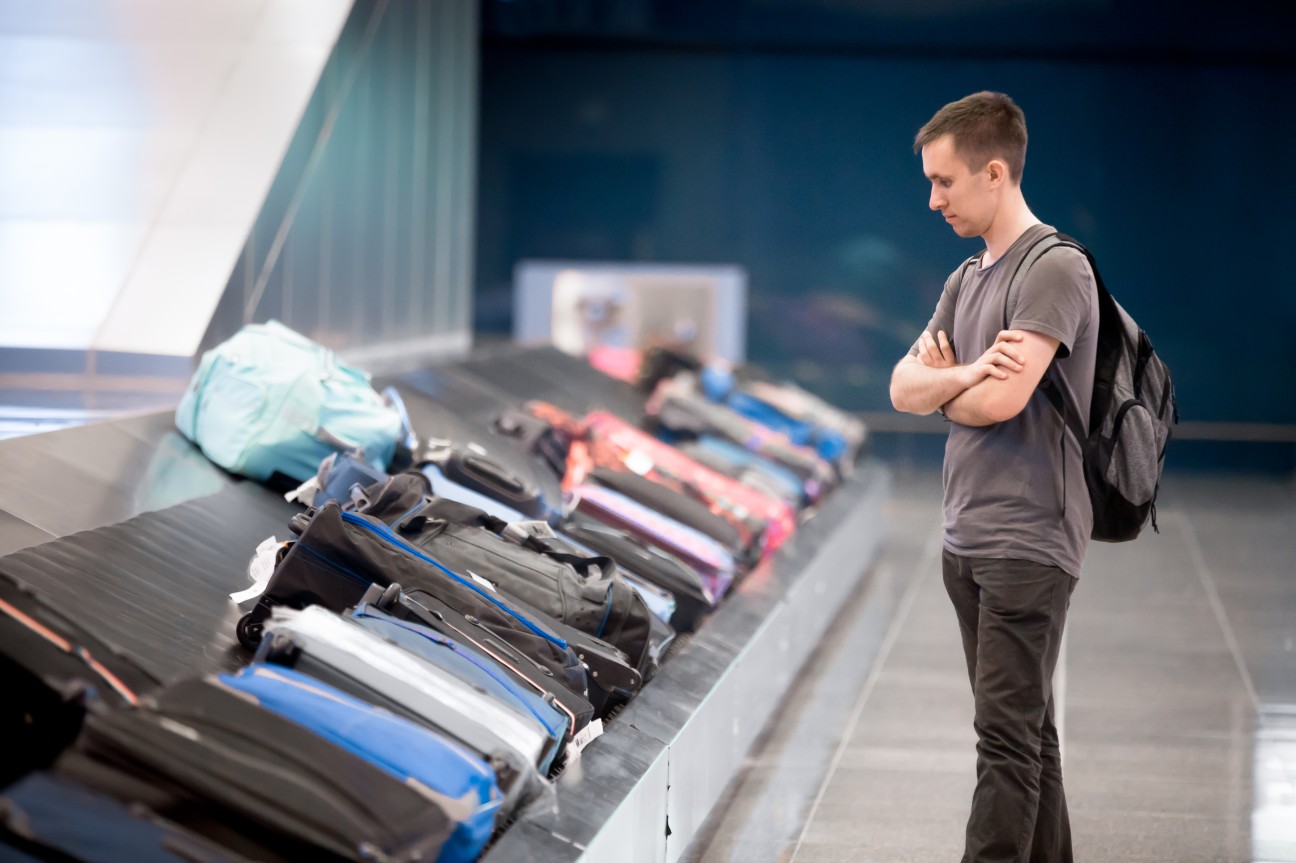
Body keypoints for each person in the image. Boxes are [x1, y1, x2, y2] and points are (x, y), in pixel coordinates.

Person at [889, 91, 1099, 863]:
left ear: (996, 173)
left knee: (1003, 742)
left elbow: (1006, 400)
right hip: (967, 536)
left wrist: (953, 384)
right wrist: (966, 375)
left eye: (944, 182)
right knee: (1028, 731)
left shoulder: (1054, 270)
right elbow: (900, 389)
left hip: (1027, 539)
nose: (933, 198)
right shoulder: (967, 277)